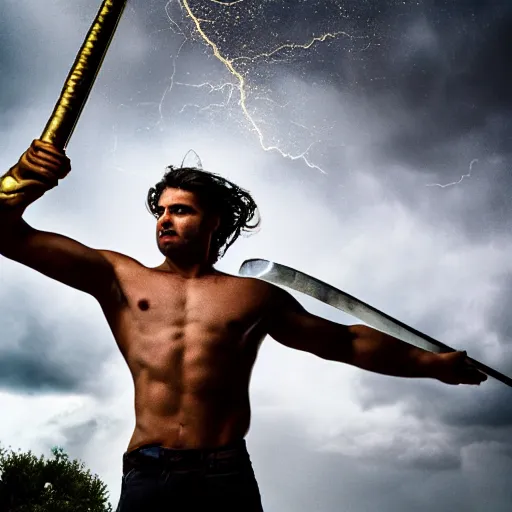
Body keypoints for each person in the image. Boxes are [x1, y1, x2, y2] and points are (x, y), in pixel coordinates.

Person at [0, 139, 487, 511]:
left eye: (181, 210)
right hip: (150, 473)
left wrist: (431, 363)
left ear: (214, 221)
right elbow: (7, 234)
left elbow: (344, 341)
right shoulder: (119, 277)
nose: (165, 220)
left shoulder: (254, 295)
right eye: (161, 211)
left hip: (225, 473)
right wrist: (24, 178)